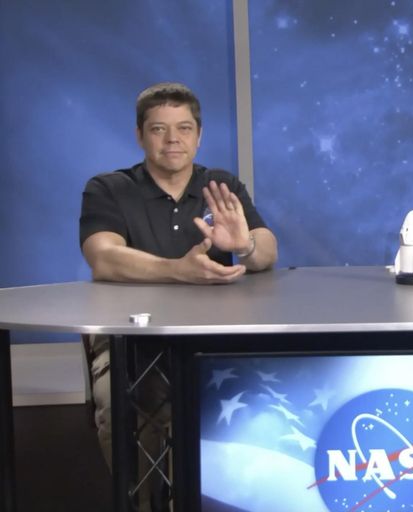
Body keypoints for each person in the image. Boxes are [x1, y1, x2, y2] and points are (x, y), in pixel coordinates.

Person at [79, 82, 278, 508]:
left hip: (215, 336)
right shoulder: (108, 188)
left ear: (199, 135)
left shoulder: (221, 185)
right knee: (123, 409)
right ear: (139, 134)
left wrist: (244, 246)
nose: (173, 140)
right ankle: (143, 503)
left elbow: (267, 250)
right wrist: (177, 272)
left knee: (254, 401)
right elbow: (104, 258)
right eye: (159, 129)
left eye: (184, 128)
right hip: (130, 338)